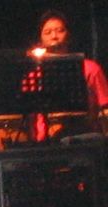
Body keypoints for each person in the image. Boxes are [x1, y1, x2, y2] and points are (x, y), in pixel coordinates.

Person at [32, 9, 108, 138]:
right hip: (45, 141)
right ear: (41, 38)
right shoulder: (35, 75)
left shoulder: (90, 69)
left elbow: (105, 107)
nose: (54, 36)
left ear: (69, 35)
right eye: (47, 32)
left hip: (84, 137)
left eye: (59, 31)